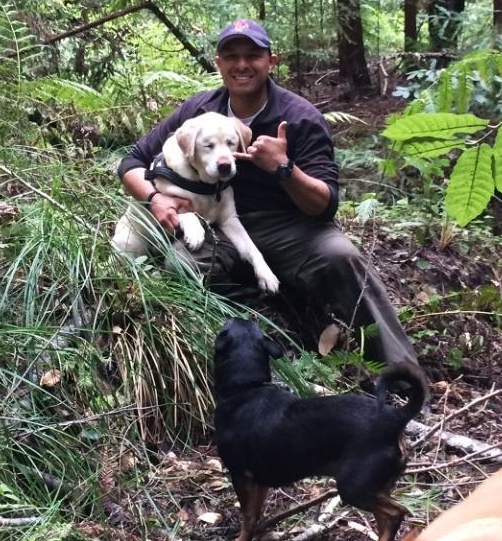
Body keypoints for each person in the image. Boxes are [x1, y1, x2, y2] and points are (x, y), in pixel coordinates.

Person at [117, 19, 418, 367]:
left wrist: (283, 168)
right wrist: (155, 198)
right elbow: (133, 160)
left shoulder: (298, 117)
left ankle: (401, 374)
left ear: (271, 62)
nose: (241, 65)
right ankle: (204, 363)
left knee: (341, 257)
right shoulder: (197, 113)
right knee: (180, 266)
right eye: (231, 56)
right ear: (218, 63)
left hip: (287, 225)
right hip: (219, 226)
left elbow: (325, 205)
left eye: (253, 55)